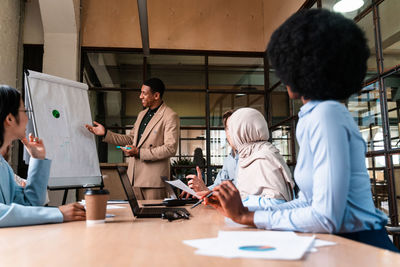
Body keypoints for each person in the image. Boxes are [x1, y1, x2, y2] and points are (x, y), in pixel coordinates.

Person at [200, 9, 399, 252]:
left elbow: (326, 217)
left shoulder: (326, 115)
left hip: (361, 247)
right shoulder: (312, 116)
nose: (283, 78)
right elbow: (306, 203)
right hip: (337, 243)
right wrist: (244, 210)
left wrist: (247, 216)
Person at [0, 85, 86, 227]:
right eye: (25, 111)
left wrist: (38, 159)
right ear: (9, 118)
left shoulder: (4, 167)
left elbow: (30, 203)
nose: (28, 118)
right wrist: (58, 213)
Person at [86, 78, 179, 200]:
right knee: (136, 218)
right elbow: (131, 139)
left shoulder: (170, 116)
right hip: (134, 178)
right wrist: (105, 134)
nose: (140, 96)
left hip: (153, 181)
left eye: (144, 93)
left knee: (153, 218)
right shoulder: (142, 114)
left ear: (156, 95)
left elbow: (170, 149)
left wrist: (139, 152)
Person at [186, 111, 238, 193]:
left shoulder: (253, 157)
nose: (231, 132)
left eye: (234, 128)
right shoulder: (229, 159)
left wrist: (206, 191)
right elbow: (217, 186)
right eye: (228, 128)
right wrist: (198, 191)